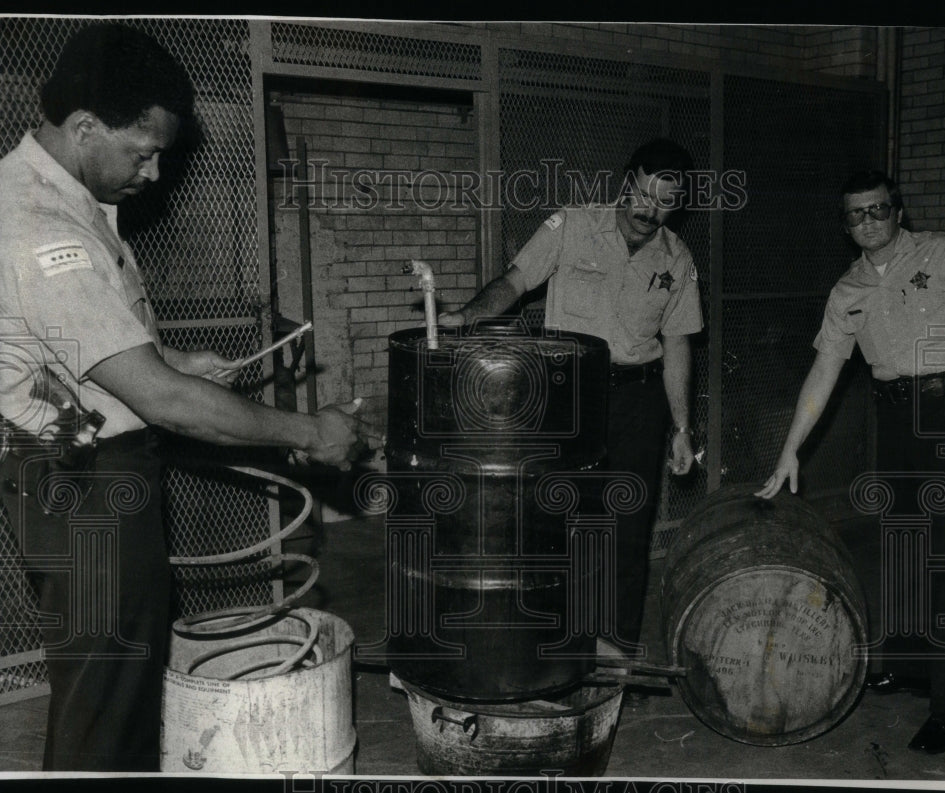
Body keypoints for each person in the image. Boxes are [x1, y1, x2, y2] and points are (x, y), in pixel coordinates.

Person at [0, 24, 373, 771]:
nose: (155, 173)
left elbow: (75, 347)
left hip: (91, 473)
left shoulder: (64, 200)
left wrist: (171, 356)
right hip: (83, 488)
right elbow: (166, 403)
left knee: (116, 693)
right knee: (106, 712)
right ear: (84, 128)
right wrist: (307, 427)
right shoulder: (39, 229)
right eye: (143, 152)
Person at [756, 170, 945, 754]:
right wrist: (791, 448)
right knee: (907, 544)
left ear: (898, 211)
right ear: (846, 225)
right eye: (855, 215)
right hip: (895, 416)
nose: (868, 222)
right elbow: (824, 371)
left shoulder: (942, 253)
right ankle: (914, 666)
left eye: (878, 210)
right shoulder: (848, 289)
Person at [439, 138, 702, 658]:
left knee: (627, 529)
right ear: (627, 182)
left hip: (638, 401)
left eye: (666, 202)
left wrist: (681, 427)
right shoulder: (573, 225)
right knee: (556, 522)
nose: (650, 211)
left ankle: (614, 649)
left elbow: (677, 344)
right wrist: (468, 315)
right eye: (645, 194)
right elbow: (515, 282)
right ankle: (553, 643)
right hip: (569, 397)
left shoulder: (677, 257)